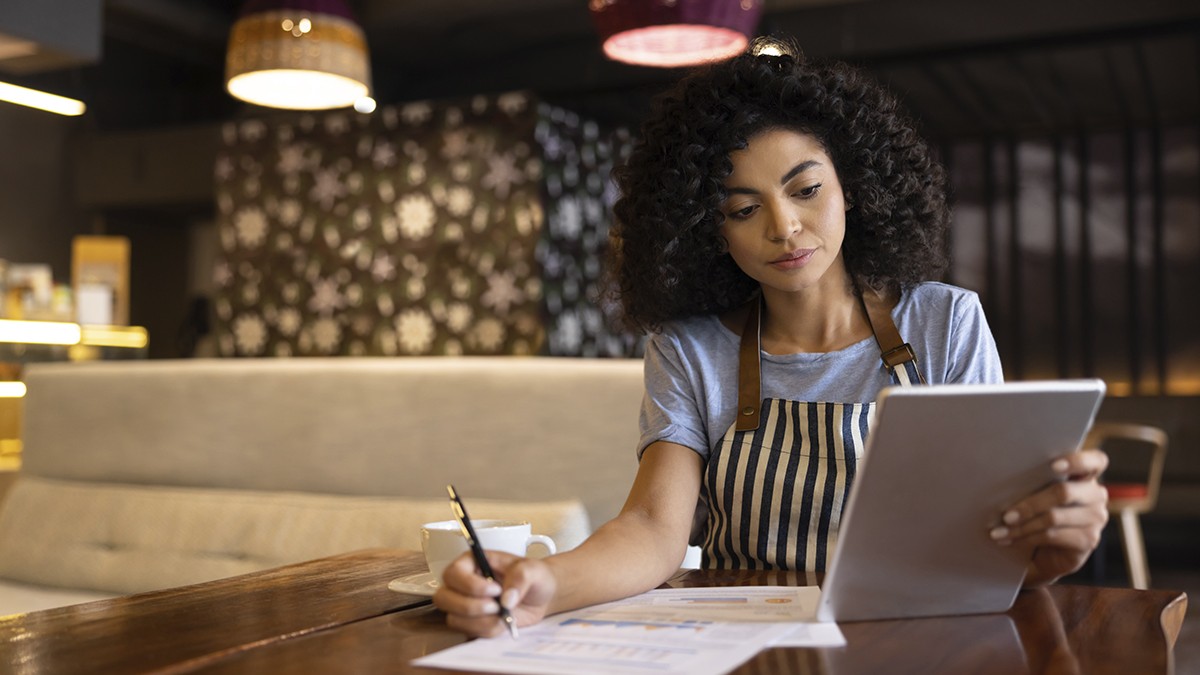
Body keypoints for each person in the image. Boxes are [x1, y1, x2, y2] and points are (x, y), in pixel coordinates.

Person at [434, 36, 1109, 636]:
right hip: (742, 643)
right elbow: (652, 529)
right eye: (743, 208)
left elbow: (986, 534)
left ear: (854, 186)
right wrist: (546, 583)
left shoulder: (944, 322)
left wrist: (1050, 549)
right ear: (709, 230)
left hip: (914, 635)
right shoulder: (690, 347)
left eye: (806, 189)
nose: (783, 227)